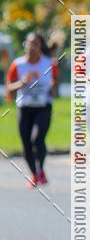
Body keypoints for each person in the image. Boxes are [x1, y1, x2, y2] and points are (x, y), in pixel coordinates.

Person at [5, 32, 58, 187]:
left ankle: (40, 169)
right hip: (25, 107)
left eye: (35, 44)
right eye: (29, 43)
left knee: (38, 139)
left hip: (43, 107)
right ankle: (34, 174)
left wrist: (53, 88)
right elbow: (9, 87)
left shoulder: (49, 63)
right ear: (25, 45)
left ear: (40, 46)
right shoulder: (18, 64)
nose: (31, 47)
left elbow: (55, 87)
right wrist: (21, 83)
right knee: (26, 142)